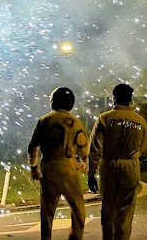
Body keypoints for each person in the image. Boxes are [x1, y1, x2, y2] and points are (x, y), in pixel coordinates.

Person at [88, 84, 147, 240]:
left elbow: (94, 148)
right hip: (131, 167)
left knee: (108, 210)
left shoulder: (105, 118)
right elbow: (144, 147)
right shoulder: (140, 121)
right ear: (130, 99)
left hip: (109, 166)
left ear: (113, 98)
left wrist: (91, 173)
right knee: (126, 211)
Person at [28, 87, 89, 240]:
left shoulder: (44, 120)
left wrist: (34, 168)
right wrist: (83, 163)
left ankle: (46, 237)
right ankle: (75, 236)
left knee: (47, 211)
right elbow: (83, 149)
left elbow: (33, 146)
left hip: (48, 167)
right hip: (67, 167)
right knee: (77, 207)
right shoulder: (76, 122)